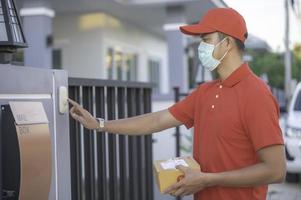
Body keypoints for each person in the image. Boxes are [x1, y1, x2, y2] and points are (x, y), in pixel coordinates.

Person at [68, 7, 286, 200]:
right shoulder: (205, 92)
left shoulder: (256, 94)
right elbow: (156, 120)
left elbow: (276, 170)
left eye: (206, 40)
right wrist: (100, 124)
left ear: (227, 43)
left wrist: (207, 179)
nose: (201, 47)